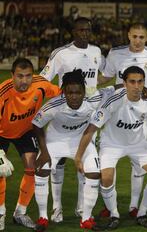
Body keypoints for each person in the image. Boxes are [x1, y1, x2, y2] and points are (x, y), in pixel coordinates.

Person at [75, 66, 147, 229]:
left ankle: (142, 213)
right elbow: (91, 128)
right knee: (106, 178)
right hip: (112, 143)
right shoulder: (113, 100)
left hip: (138, 144)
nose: (136, 86)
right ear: (124, 83)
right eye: (132, 82)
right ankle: (114, 214)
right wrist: (78, 157)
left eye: (140, 82)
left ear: (144, 83)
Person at [99, 23, 147, 217]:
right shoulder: (115, 54)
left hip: (142, 113)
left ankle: (133, 206)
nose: (138, 40)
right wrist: (85, 80)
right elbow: (105, 77)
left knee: (139, 164)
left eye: (141, 37)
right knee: (108, 162)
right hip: (117, 111)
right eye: (134, 36)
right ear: (128, 35)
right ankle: (109, 207)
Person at [31, 70, 117, 231]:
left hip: (81, 141)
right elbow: (36, 124)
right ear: (64, 92)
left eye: (78, 92)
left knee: (93, 172)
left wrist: (143, 90)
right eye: (70, 92)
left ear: (85, 92)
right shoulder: (54, 105)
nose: (74, 96)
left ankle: (86, 219)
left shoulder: (94, 99)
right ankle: (43, 217)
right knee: (42, 170)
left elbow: (115, 88)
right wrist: (44, 151)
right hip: (55, 141)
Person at [40, 17, 105, 221]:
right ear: (73, 32)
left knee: (84, 164)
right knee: (57, 164)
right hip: (64, 114)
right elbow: (43, 80)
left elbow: (100, 76)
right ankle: (57, 207)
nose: (84, 33)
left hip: (87, 115)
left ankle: (80, 208)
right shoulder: (61, 54)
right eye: (80, 30)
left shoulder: (96, 52)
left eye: (87, 30)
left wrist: (98, 93)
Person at [0, 58, 61, 231]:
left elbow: (63, 94)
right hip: (1, 133)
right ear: (12, 75)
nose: (24, 81)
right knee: (0, 170)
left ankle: (20, 213)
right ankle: (0, 213)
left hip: (26, 131)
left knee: (33, 167)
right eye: (19, 76)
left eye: (28, 76)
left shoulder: (41, 84)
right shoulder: (3, 92)